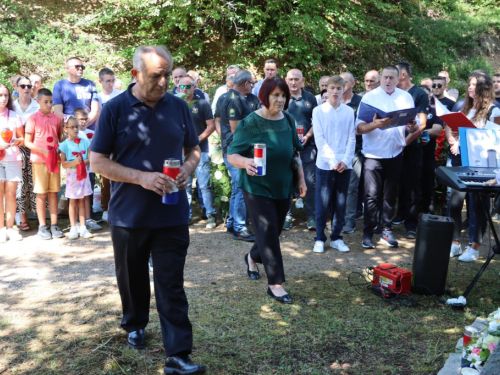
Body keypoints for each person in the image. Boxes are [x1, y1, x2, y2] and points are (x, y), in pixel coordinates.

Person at [90, 45, 205, 374]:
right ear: (136, 75)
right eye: (157, 76)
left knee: (171, 284)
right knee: (132, 277)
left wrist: (187, 168)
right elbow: (97, 161)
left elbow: (194, 149)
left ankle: (178, 355)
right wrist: (140, 177)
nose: (165, 82)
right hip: (129, 215)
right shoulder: (114, 110)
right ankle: (135, 323)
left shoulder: (179, 107)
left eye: (168, 74)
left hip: (171, 213)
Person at [227, 76, 306, 303]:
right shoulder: (251, 123)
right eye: (276, 95)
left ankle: (252, 257)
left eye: (284, 96)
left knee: (274, 230)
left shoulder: (288, 120)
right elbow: (232, 154)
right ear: (265, 96)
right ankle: (276, 284)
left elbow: (295, 153)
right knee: (269, 233)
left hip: (282, 186)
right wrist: (246, 163)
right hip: (256, 186)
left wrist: (301, 179)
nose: (280, 100)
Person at [356, 66, 419, 249]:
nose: (388, 81)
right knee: (371, 196)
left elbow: (411, 128)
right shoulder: (370, 98)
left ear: (399, 78)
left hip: (395, 152)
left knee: (390, 195)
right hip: (374, 153)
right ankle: (367, 234)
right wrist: (375, 124)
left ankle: (386, 231)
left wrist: (413, 127)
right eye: (385, 78)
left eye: (392, 77)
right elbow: (359, 128)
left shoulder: (405, 97)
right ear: (380, 78)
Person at [448, 72, 500, 262]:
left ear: (484, 89)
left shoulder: (495, 111)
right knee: (454, 202)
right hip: (461, 161)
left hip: (482, 165)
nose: (470, 87)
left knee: (478, 205)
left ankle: (474, 247)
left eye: (474, 85)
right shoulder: (466, 109)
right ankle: (455, 243)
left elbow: (496, 140)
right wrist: (455, 139)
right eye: (469, 84)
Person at [312, 76, 356, 253]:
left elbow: (351, 138)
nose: (335, 91)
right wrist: (332, 161)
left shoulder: (348, 112)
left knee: (340, 202)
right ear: (326, 89)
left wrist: (345, 161)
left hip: (344, 164)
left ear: (344, 89)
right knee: (322, 202)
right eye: (332, 88)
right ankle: (320, 238)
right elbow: (319, 139)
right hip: (325, 163)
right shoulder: (318, 111)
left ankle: (336, 237)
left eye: (339, 88)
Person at [219, 69, 259, 241]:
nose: (253, 86)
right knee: (242, 188)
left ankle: (233, 223)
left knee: (237, 188)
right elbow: (236, 131)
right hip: (235, 151)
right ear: (245, 84)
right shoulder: (234, 99)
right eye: (252, 83)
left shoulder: (232, 97)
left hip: (234, 151)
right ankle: (240, 228)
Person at [392, 61, 429, 239]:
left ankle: (411, 223)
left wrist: (404, 143)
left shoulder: (420, 94)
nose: (390, 79)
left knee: (413, 183)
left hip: (411, 146)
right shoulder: (393, 94)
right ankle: (399, 214)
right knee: (396, 181)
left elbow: (422, 124)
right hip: (392, 146)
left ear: (403, 75)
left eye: (394, 75)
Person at [24, 88, 65, 240]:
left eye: (51, 102)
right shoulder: (32, 118)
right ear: (38, 101)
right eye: (45, 102)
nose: (49, 105)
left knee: (53, 192)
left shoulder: (57, 118)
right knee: (41, 193)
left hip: (54, 160)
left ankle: (54, 224)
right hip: (39, 161)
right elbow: (28, 142)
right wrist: (43, 151)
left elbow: (60, 139)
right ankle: (42, 225)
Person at [178, 75, 217, 228]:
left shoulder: (202, 104)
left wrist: (197, 139)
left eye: (188, 86)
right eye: (181, 86)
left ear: (194, 87)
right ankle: (186, 216)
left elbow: (211, 125)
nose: (184, 89)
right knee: (184, 185)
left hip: (201, 150)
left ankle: (211, 215)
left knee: (204, 185)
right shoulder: (176, 104)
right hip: (180, 152)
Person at [284, 69, 318, 230]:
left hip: (307, 147)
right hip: (287, 148)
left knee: (311, 182)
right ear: (286, 80)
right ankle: (287, 216)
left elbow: (316, 122)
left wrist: (308, 135)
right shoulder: (282, 97)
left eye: (296, 79)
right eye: (290, 79)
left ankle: (311, 216)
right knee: (288, 182)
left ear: (302, 80)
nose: (293, 82)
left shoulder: (310, 98)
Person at [420, 76, 455, 213]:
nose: (436, 88)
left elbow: (438, 129)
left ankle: (432, 207)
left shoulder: (440, 107)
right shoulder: (413, 108)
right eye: (434, 85)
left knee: (431, 180)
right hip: (414, 150)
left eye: (439, 85)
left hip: (439, 148)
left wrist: (419, 133)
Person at [59, 116, 94, 240]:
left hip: (83, 175)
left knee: (83, 201)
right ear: (66, 129)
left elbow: (90, 159)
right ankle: (73, 227)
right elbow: (63, 163)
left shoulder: (85, 142)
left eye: (77, 127)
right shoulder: (64, 145)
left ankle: (83, 227)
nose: (75, 129)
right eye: (72, 127)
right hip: (72, 176)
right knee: (73, 201)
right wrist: (75, 163)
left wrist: (82, 162)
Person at [13, 77, 40, 231]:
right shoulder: (12, 107)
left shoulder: (37, 106)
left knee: (38, 183)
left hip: (36, 148)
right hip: (17, 150)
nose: (26, 88)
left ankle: (40, 217)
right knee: (21, 184)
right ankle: (23, 219)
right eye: (23, 86)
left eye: (29, 86)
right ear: (16, 88)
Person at [97, 68, 123, 223]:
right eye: (108, 81)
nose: (111, 84)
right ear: (101, 81)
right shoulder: (97, 98)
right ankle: (105, 208)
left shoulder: (120, 95)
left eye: (113, 80)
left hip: (119, 140)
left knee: (121, 175)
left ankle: (120, 208)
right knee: (105, 177)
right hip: (103, 140)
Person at [339, 72, 363, 234]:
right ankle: (337, 218)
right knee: (337, 187)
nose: (341, 85)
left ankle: (349, 221)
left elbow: (365, 127)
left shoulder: (361, 102)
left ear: (353, 84)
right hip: (335, 151)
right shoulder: (334, 101)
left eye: (345, 82)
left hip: (355, 151)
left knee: (351, 188)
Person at [0, 83, 24, 242]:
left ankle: (10, 228)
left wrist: (16, 140)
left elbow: (23, 140)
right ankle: (1, 229)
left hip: (12, 159)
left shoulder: (15, 116)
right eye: (0, 95)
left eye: (6, 95)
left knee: (11, 195)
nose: (3, 98)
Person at [74, 107, 101, 231]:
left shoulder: (93, 133)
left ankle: (88, 218)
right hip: (75, 169)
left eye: (85, 119)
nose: (83, 122)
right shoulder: (73, 134)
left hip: (89, 168)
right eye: (80, 119)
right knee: (76, 195)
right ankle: (76, 220)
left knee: (88, 194)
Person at [53, 57, 100, 129]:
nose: (80, 68)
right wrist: (74, 126)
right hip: (69, 131)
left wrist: (83, 125)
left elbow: (95, 110)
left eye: (82, 67)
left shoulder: (90, 84)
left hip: (88, 130)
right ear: (67, 69)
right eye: (77, 66)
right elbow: (58, 112)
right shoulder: (59, 85)